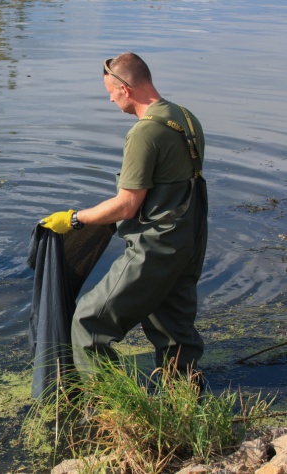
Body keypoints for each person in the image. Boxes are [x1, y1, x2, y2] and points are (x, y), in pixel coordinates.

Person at [40, 52, 208, 376]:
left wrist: (74, 219)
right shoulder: (185, 117)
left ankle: (107, 401)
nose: (111, 100)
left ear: (125, 88)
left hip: (155, 247)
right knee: (175, 331)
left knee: (88, 323)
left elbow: (127, 205)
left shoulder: (144, 133)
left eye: (111, 93)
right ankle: (185, 397)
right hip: (189, 241)